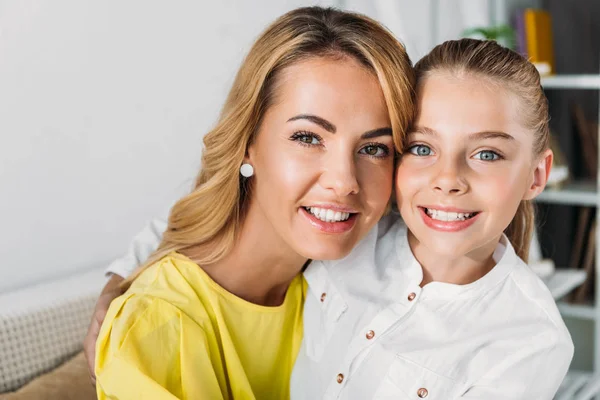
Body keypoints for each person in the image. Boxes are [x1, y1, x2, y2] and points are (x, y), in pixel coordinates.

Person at [91, 6, 415, 400]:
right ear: (247, 143)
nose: (344, 182)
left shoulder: (348, 284)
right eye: (308, 138)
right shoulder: (160, 322)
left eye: (373, 148)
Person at [291, 38, 573, 399]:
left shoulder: (531, 341)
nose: (447, 179)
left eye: (487, 154)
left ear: (536, 175)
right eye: (422, 148)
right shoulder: (344, 233)